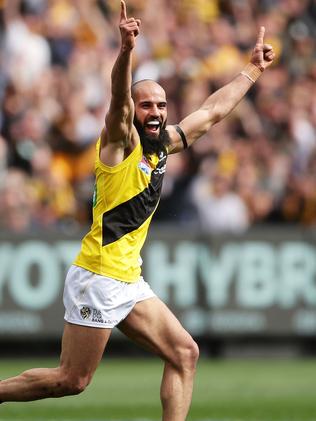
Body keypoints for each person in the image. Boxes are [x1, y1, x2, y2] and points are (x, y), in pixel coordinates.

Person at [0, 1, 274, 420]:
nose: (156, 113)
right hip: (99, 276)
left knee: (184, 353)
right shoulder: (117, 143)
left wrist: (252, 70)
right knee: (71, 381)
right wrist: (126, 51)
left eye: (162, 106)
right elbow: (117, 100)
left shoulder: (162, 145)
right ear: (133, 111)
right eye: (147, 106)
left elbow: (213, 112)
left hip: (127, 278)